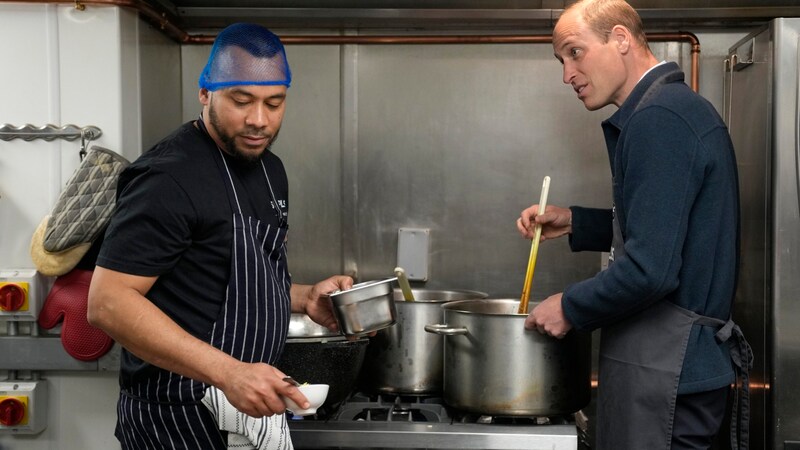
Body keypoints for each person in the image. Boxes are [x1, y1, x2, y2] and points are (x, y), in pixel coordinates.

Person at [87, 23, 352, 449]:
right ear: (205, 93)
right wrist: (230, 372)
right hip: (175, 419)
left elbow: (224, 277)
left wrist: (302, 298)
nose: (259, 120)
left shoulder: (271, 170)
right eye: (241, 101)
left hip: (245, 412)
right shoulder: (167, 176)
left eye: (274, 102)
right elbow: (107, 303)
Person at [516, 1, 751, 449]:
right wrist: (576, 223)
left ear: (620, 39)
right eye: (561, 60)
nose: (567, 74)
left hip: (670, 380)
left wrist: (569, 305)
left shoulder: (658, 120)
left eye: (575, 53)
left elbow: (652, 268)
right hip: (680, 375)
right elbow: (672, 229)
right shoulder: (674, 109)